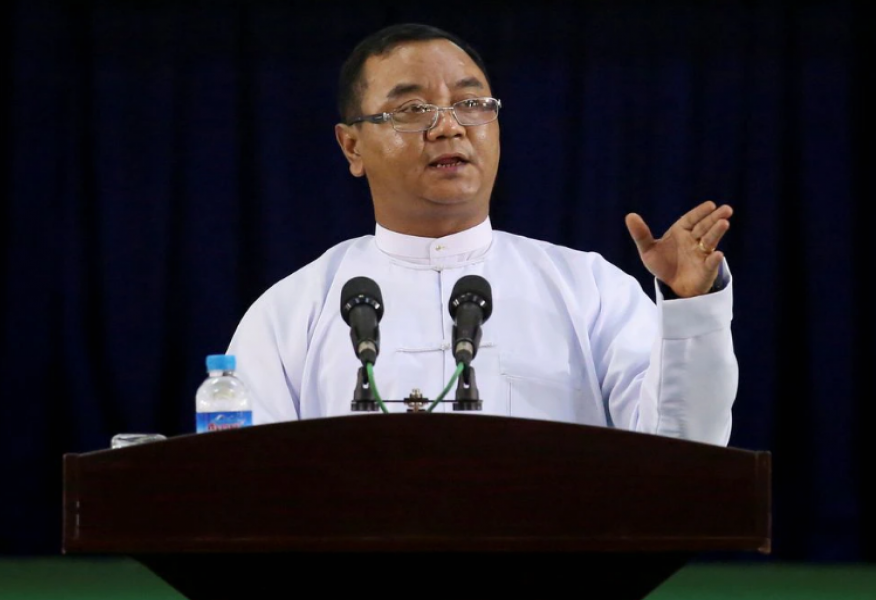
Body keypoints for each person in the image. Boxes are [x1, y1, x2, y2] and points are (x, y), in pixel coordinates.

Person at [226, 23, 737, 446]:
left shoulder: (589, 291)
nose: (448, 127)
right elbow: (245, 492)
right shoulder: (290, 314)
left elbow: (683, 457)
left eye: (471, 104)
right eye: (413, 110)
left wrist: (689, 308)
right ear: (352, 147)